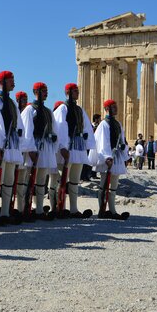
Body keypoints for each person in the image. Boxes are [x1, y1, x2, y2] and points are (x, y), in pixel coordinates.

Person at [0, 71, 26, 224]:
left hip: (12, 145)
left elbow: (18, 123)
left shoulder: (11, 102)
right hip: (2, 145)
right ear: (2, 82)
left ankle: (4, 212)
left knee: (9, 180)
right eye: (11, 80)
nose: (13, 82)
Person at [52, 83, 96, 218]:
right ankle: (57, 208)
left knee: (75, 181)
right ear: (68, 92)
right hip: (67, 149)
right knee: (61, 179)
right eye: (75, 91)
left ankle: (73, 209)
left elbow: (87, 128)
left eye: (78, 91)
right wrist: (62, 147)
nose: (78, 93)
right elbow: (59, 128)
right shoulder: (62, 109)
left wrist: (87, 145)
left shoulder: (80, 110)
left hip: (78, 148)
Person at [18, 82, 58, 221]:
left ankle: (39, 209)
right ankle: (23, 209)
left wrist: (54, 139)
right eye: (43, 91)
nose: (46, 93)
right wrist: (30, 150)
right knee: (26, 180)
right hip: (33, 147)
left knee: (41, 180)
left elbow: (54, 130)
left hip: (45, 147)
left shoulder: (48, 111)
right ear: (36, 92)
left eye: (46, 91)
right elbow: (26, 132)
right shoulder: (30, 110)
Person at [90, 99, 130, 220]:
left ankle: (112, 210)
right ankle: (102, 210)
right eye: (113, 107)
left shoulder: (118, 124)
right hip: (108, 157)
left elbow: (122, 140)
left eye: (116, 107)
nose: (116, 109)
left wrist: (124, 152)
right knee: (103, 184)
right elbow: (103, 142)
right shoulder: (103, 124)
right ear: (107, 109)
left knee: (113, 185)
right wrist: (107, 157)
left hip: (116, 156)